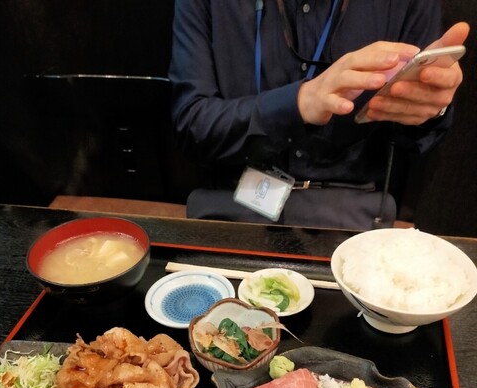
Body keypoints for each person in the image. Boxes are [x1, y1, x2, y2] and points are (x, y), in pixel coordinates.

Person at [168, 1, 468, 229]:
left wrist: (431, 106)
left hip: (354, 218)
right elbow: (191, 125)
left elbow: (414, 140)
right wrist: (299, 102)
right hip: (231, 207)